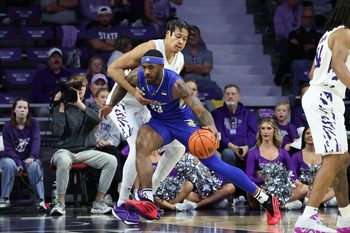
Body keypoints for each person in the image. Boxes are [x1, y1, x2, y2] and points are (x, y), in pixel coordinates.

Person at [103, 49, 281, 225]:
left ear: (161, 67)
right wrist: (111, 104)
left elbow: (200, 110)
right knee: (140, 143)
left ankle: (265, 198)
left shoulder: (176, 83)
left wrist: (211, 127)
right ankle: (148, 198)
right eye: (144, 67)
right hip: (159, 123)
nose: (147, 71)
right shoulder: (139, 75)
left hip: (182, 123)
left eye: (151, 67)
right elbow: (120, 86)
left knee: (216, 164)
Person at [103, 19, 189, 225]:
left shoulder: (180, 59)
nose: (181, 42)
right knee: (137, 146)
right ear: (167, 34)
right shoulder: (151, 47)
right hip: (123, 102)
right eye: (178, 36)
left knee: (177, 147)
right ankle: (121, 204)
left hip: (146, 105)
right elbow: (113, 69)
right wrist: (134, 92)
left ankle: (147, 196)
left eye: (185, 39)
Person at [294, 1, 350, 232]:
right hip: (325, 98)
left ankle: (346, 217)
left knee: (341, 158)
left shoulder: (330, 34)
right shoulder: (346, 33)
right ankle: (307, 217)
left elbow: (312, 73)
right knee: (334, 158)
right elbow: (338, 65)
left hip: (323, 96)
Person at [49, 73, 118, 216]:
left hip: (86, 151)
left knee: (111, 160)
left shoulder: (90, 105)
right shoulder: (62, 106)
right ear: (70, 88)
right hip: (65, 151)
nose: (81, 89)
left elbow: (97, 120)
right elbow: (57, 131)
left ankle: (98, 203)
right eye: (77, 86)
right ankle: (60, 204)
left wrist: (79, 104)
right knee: (63, 159)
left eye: (83, 86)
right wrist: (60, 106)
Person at [245, 118, 308, 210]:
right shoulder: (253, 153)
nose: (265, 132)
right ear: (259, 132)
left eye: (269, 128)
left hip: (279, 189)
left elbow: (293, 175)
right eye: (262, 129)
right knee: (252, 187)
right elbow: (248, 178)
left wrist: (297, 184)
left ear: (274, 131)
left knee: (304, 188)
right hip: (262, 189)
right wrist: (264, 180)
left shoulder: (283, 153)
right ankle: (282, 205)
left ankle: (274, 205)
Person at [0, 98, 46, 210]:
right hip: (11, 158)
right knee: (10, 164)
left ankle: (40, 200)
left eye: (25, 108)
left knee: (35, 165)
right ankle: (5, 198)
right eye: (19, 107)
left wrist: (32, 157)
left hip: (28, 158)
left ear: (28, 111)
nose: (22, 110)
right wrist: (19, 163)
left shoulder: (34, 123)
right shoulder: (7, 127)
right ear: (14, 110)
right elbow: (9, 149)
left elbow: (36, 141)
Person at [155, 152, 235, 211]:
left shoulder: (210, 156)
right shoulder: (182, 156)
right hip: (193, 193)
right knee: (189, 190)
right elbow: (176, 180)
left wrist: (211, 190)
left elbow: (219, 178)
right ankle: (211, 201)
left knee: (230, 187)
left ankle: (198, 205)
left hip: (209, 191)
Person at [211, 84, 258, 171]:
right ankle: (228, 183)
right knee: (228, 153)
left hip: (247, 148)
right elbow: (219, 133)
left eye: (233, 94)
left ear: (238, 96)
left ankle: (248, 182)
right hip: (227, 148)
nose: (230, 96)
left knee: (254, 153)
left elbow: (253, 132)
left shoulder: (248, 113)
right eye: (227, 94)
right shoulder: (216, 114)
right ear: (224, 97)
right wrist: (234, 148)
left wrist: (246, 147)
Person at [291, 126, 337, 207]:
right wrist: (306, 188)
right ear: (304, 138)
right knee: (303, 199)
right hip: (305, 191)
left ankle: (319, 201)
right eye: (307, 133)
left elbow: (330, 176)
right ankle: (318, 202)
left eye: (313, 133)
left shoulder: (325, 155)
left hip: (322, 189)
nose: (310, 135)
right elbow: (292, 176)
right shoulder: (296, 156)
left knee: (336, 189)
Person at [182, 25, 223, 100]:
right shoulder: (180, 53)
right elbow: (184, 69)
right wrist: (199, 66)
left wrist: (190, 67)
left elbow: (206, 70)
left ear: (199, 37)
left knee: (218, 92)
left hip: (204, 82)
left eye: (194, 35)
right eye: (189, 35)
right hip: (186, 81)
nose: (191, 37)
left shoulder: (207, 53)